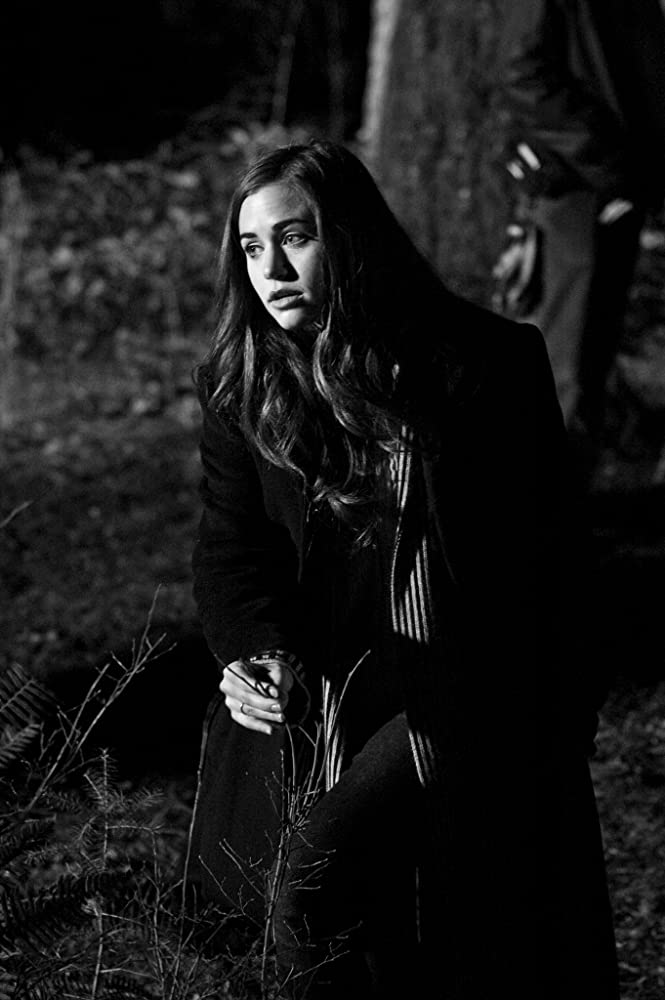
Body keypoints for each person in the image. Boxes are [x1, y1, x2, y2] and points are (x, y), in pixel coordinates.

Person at [188, 139, 618, 999]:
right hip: (321, 690)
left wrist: (559, 709)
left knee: (316, 883)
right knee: (367, 928)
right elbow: (231, 549)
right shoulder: (244, 383)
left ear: (350, 237)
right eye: (251, 246)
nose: (271, 269)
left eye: (296, 238)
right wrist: (252, 647)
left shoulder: (482, 365)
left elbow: (556, 556)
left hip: (459, 691)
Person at [498, 0, 665, 465]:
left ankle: (564, 492)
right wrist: (608, 163)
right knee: (565, 372)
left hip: (616, 189)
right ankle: (544, 496)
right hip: (576, 191)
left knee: (587, 367)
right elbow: (524, 74)